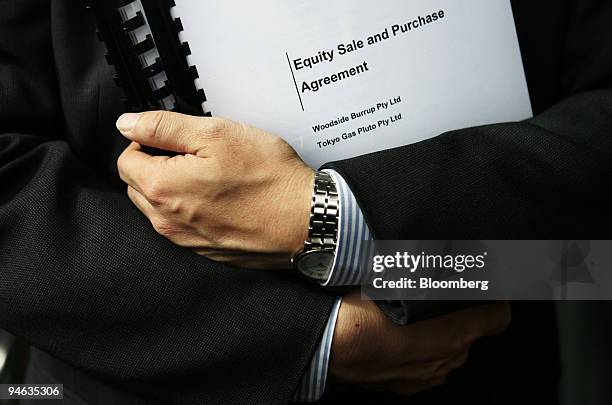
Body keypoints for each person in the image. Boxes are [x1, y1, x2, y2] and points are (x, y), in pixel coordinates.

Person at [1, 1, 610, 404]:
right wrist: (306, 337)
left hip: (487, 341)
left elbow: (580, 258)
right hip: (146, 376)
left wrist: (339, 223)